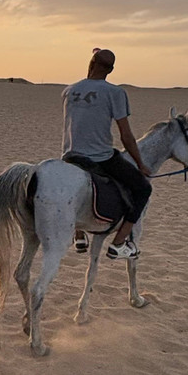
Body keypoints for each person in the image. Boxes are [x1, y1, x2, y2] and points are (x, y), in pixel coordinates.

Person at [62, 47, 152, 259]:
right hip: (100, 157)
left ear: (91, 64)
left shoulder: (69, 91)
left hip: (70, 156)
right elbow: (126, 136)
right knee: (142, 189)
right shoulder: (115, 93)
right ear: (111, 70)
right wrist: (140, 164)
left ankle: (79, 234)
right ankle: (119, 244)